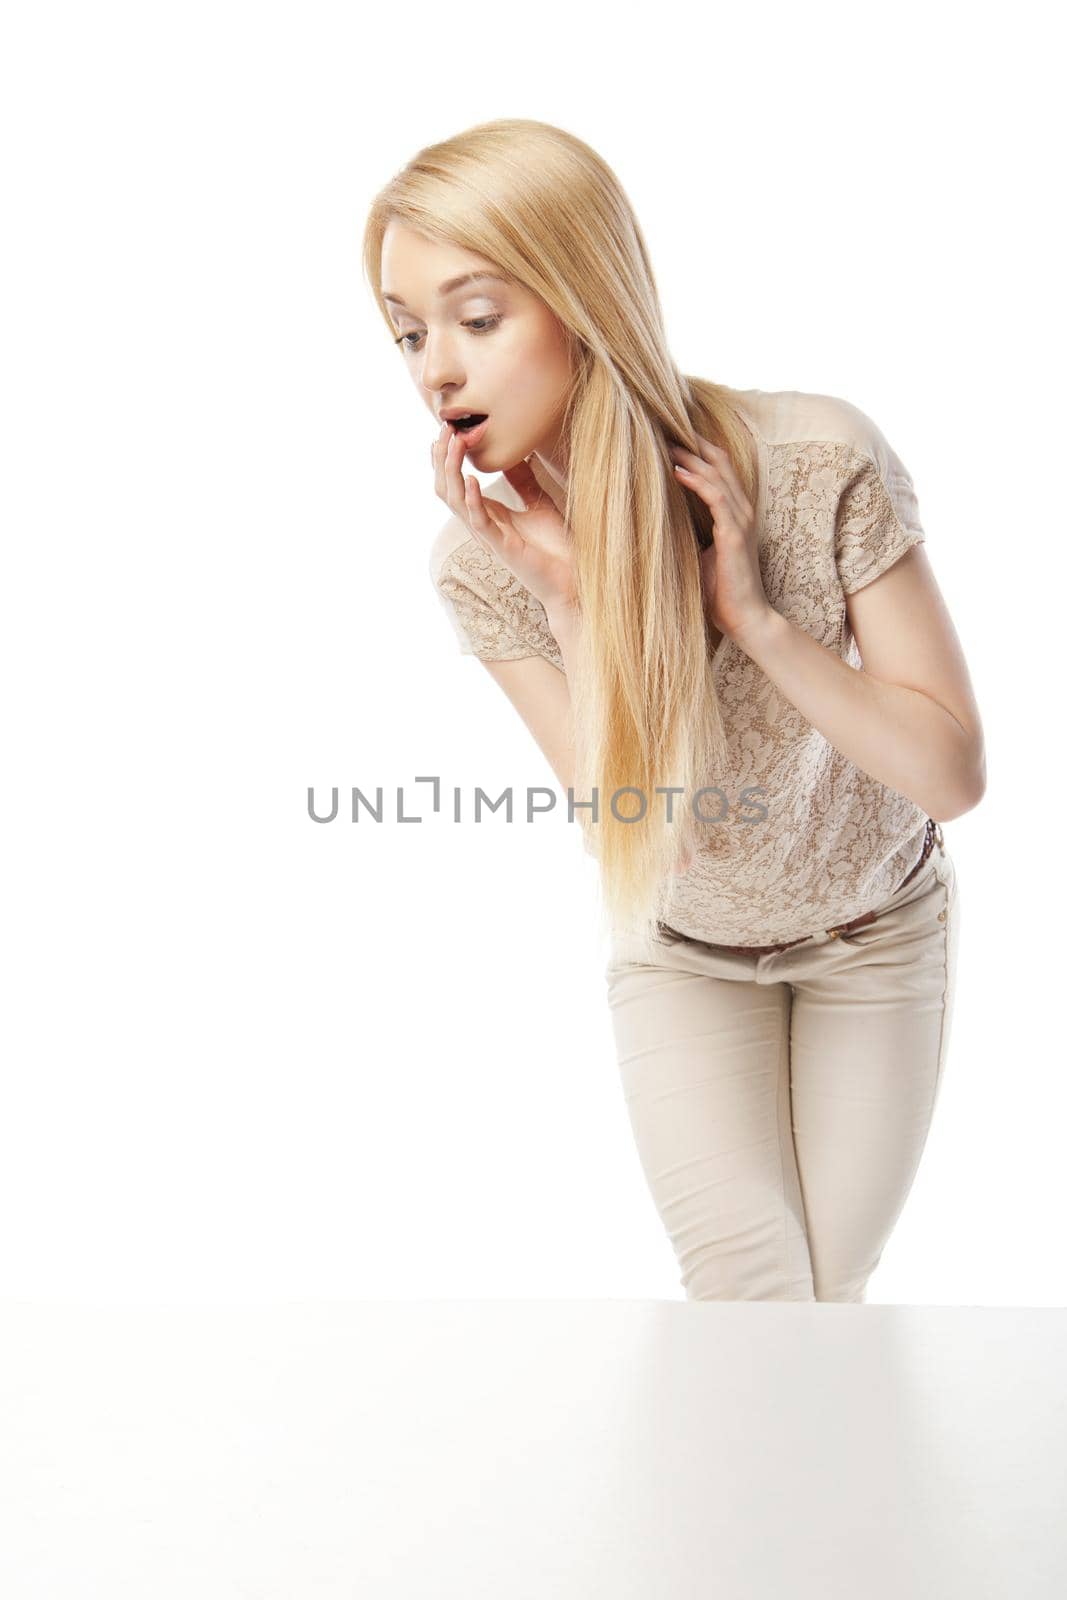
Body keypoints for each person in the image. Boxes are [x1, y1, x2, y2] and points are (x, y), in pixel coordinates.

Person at [363, 119, 986, 1304]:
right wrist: (570, 599)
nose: (435, 369)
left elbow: (949, 775)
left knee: (827, 1289)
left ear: (583, 299)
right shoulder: (483, 564)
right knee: (750, 1289)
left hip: (873, 936)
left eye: (476, 317)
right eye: (406, 333)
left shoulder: (812, 462)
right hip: (685, 957)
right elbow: (654, 837)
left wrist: (757, 623)